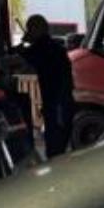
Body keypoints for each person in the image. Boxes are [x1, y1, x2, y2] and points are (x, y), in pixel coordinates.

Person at [18, 14, 75, 158]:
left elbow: (22, 56)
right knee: (58, 146)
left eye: (30, 29)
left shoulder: (43, 47)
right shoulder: (54, 47)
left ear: (38, 29)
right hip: (61, 102)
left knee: (55, 149)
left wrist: (24, 40)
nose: (29, 32)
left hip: (58, 104)